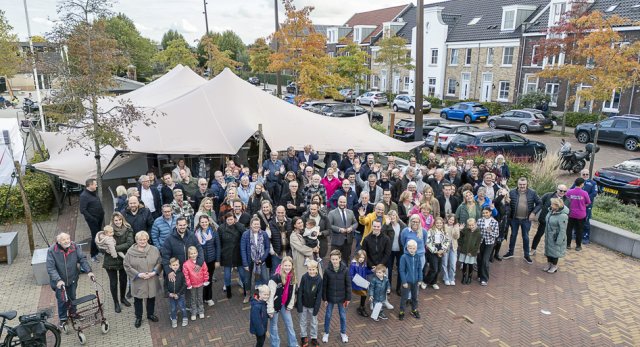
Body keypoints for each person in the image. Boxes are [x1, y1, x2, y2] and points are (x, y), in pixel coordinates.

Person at [47, 232, 95, 325]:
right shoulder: (52, 250)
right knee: (62, 300)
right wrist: (58, 280)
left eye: (68, 239)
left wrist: (89, 271)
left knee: (72, 297)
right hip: (59, 282)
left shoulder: (74, 246)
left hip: (72, 278)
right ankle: (63, 319)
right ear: (59, 241)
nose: (66, 241)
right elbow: (50, 268)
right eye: (63, 240)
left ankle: (73, 314)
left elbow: (82, 259)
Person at [123, 231, 162, 328]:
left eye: (144, 239)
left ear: (147, 239)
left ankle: (150, 314)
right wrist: (138, 274)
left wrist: (154, 272)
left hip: (151, 279)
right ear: (136, 240)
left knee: (151, 298)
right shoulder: (130, 252)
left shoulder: (154, 249)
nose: (142, 241)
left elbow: (159, 262)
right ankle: (138, 317)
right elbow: (127, 266)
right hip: (138, 280)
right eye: (140, 239)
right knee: (138, 300)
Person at [100, 213, 134, 313]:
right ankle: (116, 302)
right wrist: (105, 249)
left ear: (122, 220)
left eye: (119, 220)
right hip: (110, 261)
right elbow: (100, 244)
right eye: (116, 220)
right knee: (113, 283)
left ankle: (123, 298)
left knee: (123, 280)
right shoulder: (108, 230)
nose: (118, 222)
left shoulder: (128, 229)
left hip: (123, 259)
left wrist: (113, 248)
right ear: (113, 221)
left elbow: (129, 243)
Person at [503, 177, 541, 264]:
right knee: (513, 235)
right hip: (514, 219)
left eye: (524, 184)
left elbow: (539, 203)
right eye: (520, 184)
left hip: (526, 219)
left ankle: (526, 255)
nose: (522, 186)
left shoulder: (532, 192)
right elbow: (507, 204)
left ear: (527, 184)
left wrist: (534, 213)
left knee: (526, 237)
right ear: (517, 184)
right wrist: (507, 202)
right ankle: (510, 252)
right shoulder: (512, 192)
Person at [267, 256, 298, 347]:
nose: (287, 267)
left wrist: (290, 305)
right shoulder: (275, 278)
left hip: (285, 304)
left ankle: (293, 344)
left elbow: (292, 293)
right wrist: (270, 310)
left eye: (289, 265)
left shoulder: (292, 277)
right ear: (281, 266)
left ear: (292, 266)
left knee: (290, 325)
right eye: (285, 265)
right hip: (275, 306)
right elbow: (270, 296)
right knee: (274, 327)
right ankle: (275, 345)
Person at [322, 250, 351, 344]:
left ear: (340, 259)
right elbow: (324, 285)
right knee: (328, 315)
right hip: (330, 297)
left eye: (336, 259)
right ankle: (326, 333)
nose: (334, 261)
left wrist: (348, 298)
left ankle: (343, 333)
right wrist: (325, 299)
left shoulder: (345, 270)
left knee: (342, 316)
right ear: (330, 259)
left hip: (342, 298)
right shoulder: (327, 270)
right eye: (332, 259)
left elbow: (348, 285)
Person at [532, 185, 569, 255]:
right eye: (561, 190)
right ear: (557, 189)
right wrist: (534, 213)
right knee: (538, 235)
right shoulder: (548, 195)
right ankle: (533, 249)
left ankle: (550, 253)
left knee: (552, 239)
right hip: (544, 220)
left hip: (555, 224)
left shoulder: (567, 200)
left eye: (564, 191)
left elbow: (567, 212)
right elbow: (539, 204)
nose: (562, 192)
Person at [241, 218, 271, 303]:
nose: (256, 226)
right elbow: (243, 249)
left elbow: (267, 247)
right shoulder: (245, 234)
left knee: (265, 278)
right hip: (249, 260)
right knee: (247, 279)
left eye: (258, 224)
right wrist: (245, 263)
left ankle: (265, 294)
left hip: (261, 261)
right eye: (254, 224)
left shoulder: (264, 234)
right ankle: (248, 295)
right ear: (251, 225)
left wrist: (262, 259)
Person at [194, 215, 220, 307]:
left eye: (205, 222)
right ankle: (201, 298)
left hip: (211, 260)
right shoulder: (196, 233)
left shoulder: (213, 232)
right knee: (200, 280)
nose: (204, 224)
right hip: (200, 261)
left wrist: (217, 260)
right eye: (202, 222)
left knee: (208, 279)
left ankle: (208, 298)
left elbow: (218, 246)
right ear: (199, 223)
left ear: (208, 222)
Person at [219, 212, 246, 299]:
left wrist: (237, 223)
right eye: (228, 219)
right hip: (227, 253)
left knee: (242, 273)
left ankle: (246, 290)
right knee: (227, 274)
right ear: (225, 220)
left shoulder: (239, 226)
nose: (230, 221)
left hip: (238, 253)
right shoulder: (221, 228)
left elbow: (245, 233)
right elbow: (219, 242)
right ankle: (228, 291)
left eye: (232, 219)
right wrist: (219, 256)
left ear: (234, 219)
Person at [297, 260, 323, 347]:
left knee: (314, 322)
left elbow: (319, 295)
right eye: (309, 269)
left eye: (313, 269)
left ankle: (314, 337)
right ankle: (303, 337)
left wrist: (317, 308)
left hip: (313, 306)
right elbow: (300, 291)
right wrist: (299, 304)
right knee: (302, 322)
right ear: (307, 269)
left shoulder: (319, 280)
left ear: (316, 269)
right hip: (304, 304)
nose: (311, 271)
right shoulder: (304, 277)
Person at [400, 215, 428, 289]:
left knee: (417, 274)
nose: (415, 223)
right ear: (410, 221)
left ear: (419, 222)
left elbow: (424, 242)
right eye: (413, 221)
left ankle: (414, 293)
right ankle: (408, 294)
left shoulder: (424, 231)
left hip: (420, 256)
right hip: (408, 256)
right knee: (408, 274)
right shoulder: (405, 231)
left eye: (417, 222)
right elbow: (403, 242)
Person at [79, 178, 104, 262]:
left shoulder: (93, 193)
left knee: (99, 234)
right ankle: (93, 255)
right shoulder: (84, 196)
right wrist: (92, 219)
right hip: (93, 220)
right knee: (95, 236)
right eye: (95, 184)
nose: (96, 185)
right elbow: (83, 210)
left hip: (99, 218)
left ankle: (98, 251)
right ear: (90, 185)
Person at [381, 210, 406, 295]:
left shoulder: (402, 225)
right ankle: (388, 287)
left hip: (400, 251)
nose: (392, 217)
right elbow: (381, 234)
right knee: (389, 270)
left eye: (394, 215)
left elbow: (406, 231)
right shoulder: (387, 226)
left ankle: (398, 288)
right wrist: (386, 224)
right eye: (390, 216)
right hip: (390, 251)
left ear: (396, 216)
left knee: (400, 269)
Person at [183, 246, 209, 320]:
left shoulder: (201, 262)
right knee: (193, 298)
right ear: (189, 255)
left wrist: (206, 280)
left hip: (200, 283)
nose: (193, 255)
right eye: (191, 254)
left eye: (195, 253)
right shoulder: (186, 264)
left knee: (200, 297)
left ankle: (201, 311)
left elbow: (205, 271)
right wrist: (189, 284)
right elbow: (186, 275)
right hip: (192, 285)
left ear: (197, 253)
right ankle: (194, 312)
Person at [566, 177, 591, 251]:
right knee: (579, 230)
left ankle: (568, 245)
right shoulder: (584, 193)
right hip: (580, 215)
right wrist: (582, 205)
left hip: (570, 214)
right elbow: (588, 203)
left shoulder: (569, 192)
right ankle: (578, 246)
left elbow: (566, 201)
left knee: (569, 229)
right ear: (582, 184)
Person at [544, 198, 569, 273]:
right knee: (548, 251)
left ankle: (554, 266)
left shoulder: (563, 216)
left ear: (557, 206)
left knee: (555, 252)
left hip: (556, 237)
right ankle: (549, 264)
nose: (551, 205)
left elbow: (563, 230)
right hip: (549, 235)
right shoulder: (550, 211)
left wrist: (559, 240)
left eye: (552, 204)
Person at [398, 240, 421, 321]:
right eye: (410, 248)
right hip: (407, 282)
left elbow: (419, 269)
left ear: (416, 248)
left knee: (415, 297)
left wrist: (420, 279)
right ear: (407, 248)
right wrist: (404, 281)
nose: (412, 250)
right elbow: (401, 270)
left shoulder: (418, 256)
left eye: (413, 248)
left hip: (415, 281)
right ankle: (401, 311)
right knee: (404, 298)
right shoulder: (404, 257)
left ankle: (414, 309)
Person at [477, 207, 499, 286]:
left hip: (489, 243)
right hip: (481, 242)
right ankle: (479, 275)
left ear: (490, 212)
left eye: (486, 212)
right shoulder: (480, 220)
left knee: (485, 260)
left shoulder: (494, 222)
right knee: (479, 259)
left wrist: (490, 232)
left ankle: (484, 278)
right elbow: (477, 231)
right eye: (483, 213)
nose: (485, 214)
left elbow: (496, 234)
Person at [425, 217, 449, 289]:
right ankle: (425, 281)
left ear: (442, 224)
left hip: (441, 249)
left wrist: (442, 249)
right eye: (437, 223)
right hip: (433, 250)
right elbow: (428, 242)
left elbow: (447, 241)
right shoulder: (430, 231)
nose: (439, 224)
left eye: (440, 223)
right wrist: (436, 251)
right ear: (435, 223)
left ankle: (433, 282)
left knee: (438, 269)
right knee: (434, 269)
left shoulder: (444, 231)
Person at [458, 219, 482, 285]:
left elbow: (477, 245)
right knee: (464, 264)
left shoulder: (478, 233)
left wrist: (472, 252)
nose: (471, 226)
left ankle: (469, 277)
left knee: (471, 265)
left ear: (475, 224)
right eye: (469, 225)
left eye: (472, 225)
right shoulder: (466, 230)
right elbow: (460, 237)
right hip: (464, 251)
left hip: (471, 253)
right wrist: (461, 244)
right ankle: (464, 276)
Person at [166, 257, 188, 328]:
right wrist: (169, 293)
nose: (175, 266)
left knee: (183, 307)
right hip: (171, 296)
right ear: (170, 266)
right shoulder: (168, 275)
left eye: (176, 265)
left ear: (179, 265)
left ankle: (185, 318)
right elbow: (165, 285)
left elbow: (184, 284)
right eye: (173, 265)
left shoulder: (181, 274)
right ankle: (174, 318)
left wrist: (178, 294)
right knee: (173, 308)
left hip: (180, 295)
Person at [350, 249, 372, 317]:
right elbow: (351, 275)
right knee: (364, 294)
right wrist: (357, 280)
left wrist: (372, 271)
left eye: (363, 258)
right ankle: (361, 308)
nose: (362, 259)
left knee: (364, 295)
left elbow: (366, 271)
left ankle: (361, 307)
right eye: (360, 257)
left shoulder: (364, 264)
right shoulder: (353, 264)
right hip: (357, 283)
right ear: (357, 256)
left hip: (363, 282)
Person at [579, 169, 598, 243]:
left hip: (587, 205)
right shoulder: (578, 182)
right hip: (578, 205)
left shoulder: (593, 183)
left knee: (586, 221)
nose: (585, 176)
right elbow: (572, 189)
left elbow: (594, 193)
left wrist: (584, 198)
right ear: (581, 175)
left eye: (587, 174)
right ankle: (576, 234)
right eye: (584, 174)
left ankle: (585, 237)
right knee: (577, 220)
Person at [442, 214, 460, 286]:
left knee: (453, 263)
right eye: (450, 219)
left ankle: (452, 278)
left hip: (453, 247)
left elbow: (457, 237)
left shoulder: (456, 227)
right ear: (447, 219)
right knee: (445, 263)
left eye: (453, 220)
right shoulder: (444, 226)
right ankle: (446, 278)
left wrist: (456, 228)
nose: (451, 221)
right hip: (446, 247)